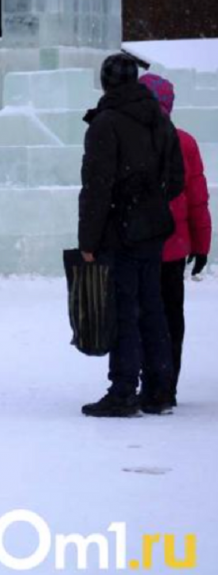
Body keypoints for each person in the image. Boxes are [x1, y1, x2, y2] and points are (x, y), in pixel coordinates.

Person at [78, 54, 185, 417]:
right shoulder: (159, 120)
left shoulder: (105, 124)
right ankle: (160, 390)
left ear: (105, 82)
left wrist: (88, 242)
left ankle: (124, 391)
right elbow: (176, 181)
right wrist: (150, 201)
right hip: (153, 229)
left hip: (120, 231)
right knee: (152, 307)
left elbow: (97, 188)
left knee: (123, 310)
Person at [138, 73, 212, 406]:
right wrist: (202, 243)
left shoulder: (131, 138)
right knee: (171, 314)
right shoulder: (184, 141)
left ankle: (148, 380)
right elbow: (197, 198)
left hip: (138, 242)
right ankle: (167, 385)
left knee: (142, 313)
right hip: (174, 245)